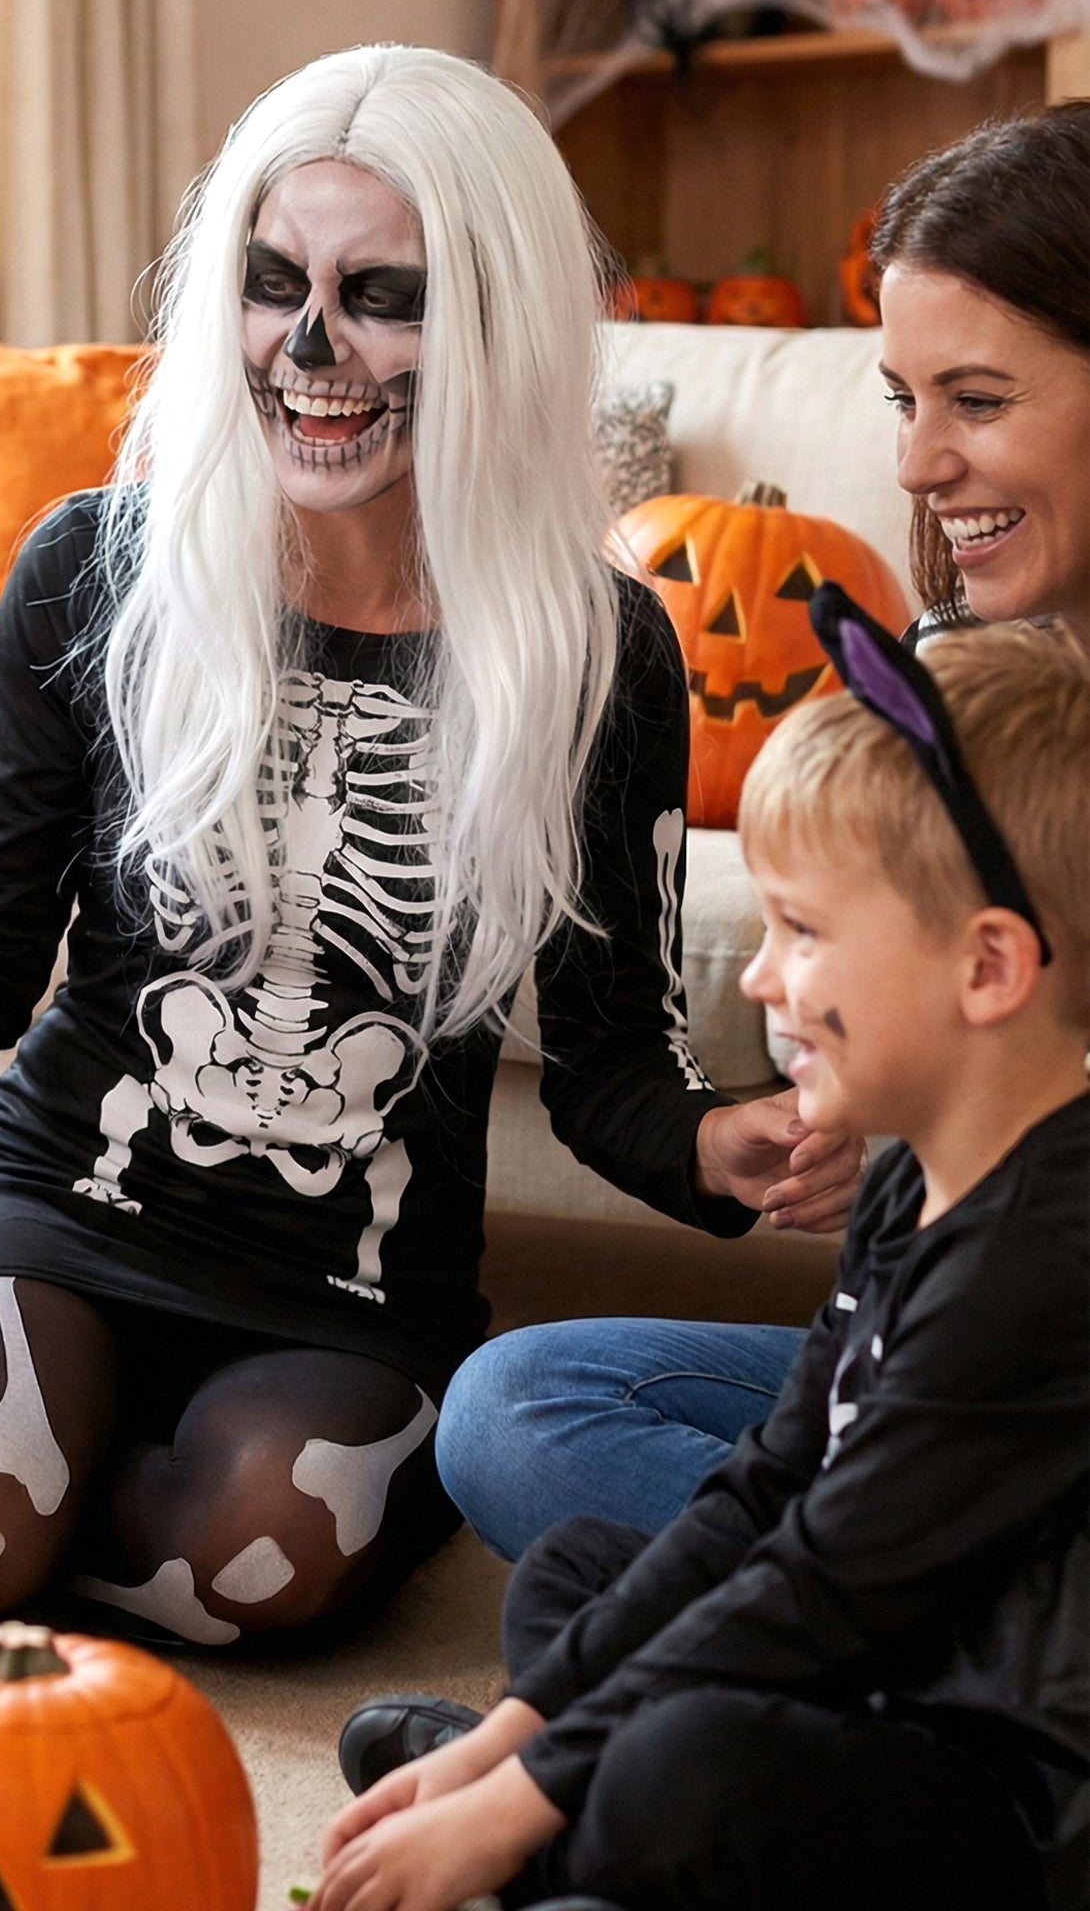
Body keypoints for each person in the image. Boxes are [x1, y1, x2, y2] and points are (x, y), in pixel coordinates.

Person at [0, 44, 860, 1654]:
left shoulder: (596, 651)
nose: (307, 346)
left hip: (353, 1269)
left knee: (253, 1568)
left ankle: (28, 1484)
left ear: (498, 324)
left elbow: (610, 1062)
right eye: (269, 286)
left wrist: (716, 1148)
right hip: (61, 1190)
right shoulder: (95, 570)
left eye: (380, 296)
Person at [414, 98, 1090, 1600]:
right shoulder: (940, 672)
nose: (917, 466)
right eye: (900, 400)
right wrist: (892, 1121)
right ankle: (902, 1635)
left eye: (973, 400)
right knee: (517, 1412)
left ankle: (810, 1666)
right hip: (955, 1370)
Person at [317, 610, 1088, 1911]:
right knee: (575, 1568)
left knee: (681, 1764)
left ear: (986, 967)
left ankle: (578, 1836)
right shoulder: (911, 1159)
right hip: (892, 1660)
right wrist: (520, 1743)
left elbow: (824, 1577)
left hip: (1011, 1772)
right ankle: (582, 1827)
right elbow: (767, 1482)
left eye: (801, 933)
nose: (762, 981)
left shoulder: (1042, 1258)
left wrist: (524, 1788)